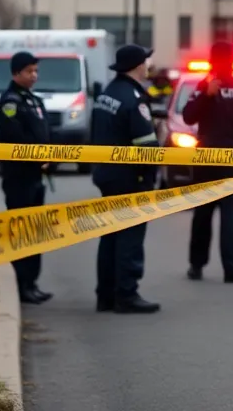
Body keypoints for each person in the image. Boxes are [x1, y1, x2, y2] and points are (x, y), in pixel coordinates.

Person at [90, 44, 162, 314]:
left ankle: (106, 295)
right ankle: (127, 294)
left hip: (107, 173)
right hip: (130, 177)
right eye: (145, 61)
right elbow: (146, 145)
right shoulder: (134, 99)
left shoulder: (108, 93)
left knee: (110, 235)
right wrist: (149, 176)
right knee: (130, 236)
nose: (148, 65)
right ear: (137, 65)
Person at [182, 41, 233, 283]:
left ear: (211, 61)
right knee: (230, 213)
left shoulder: (204, 86)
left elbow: (188, 116)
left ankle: (196, 265)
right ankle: (232, 268)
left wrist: (206, 96)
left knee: (203, 213)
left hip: (205, 157)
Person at [0, 51, 54, 304]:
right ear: (16, 73)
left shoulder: (34, 100)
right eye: (29, 71)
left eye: (36, 71)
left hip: (36, 175)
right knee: (21, 231)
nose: (34, 76)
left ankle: (32, 282)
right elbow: (14, 137)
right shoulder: (10, 102)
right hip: (19, 176)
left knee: (35, 231)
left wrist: (50, 156)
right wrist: (37, 155)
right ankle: (20, 284)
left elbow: (45, 132)